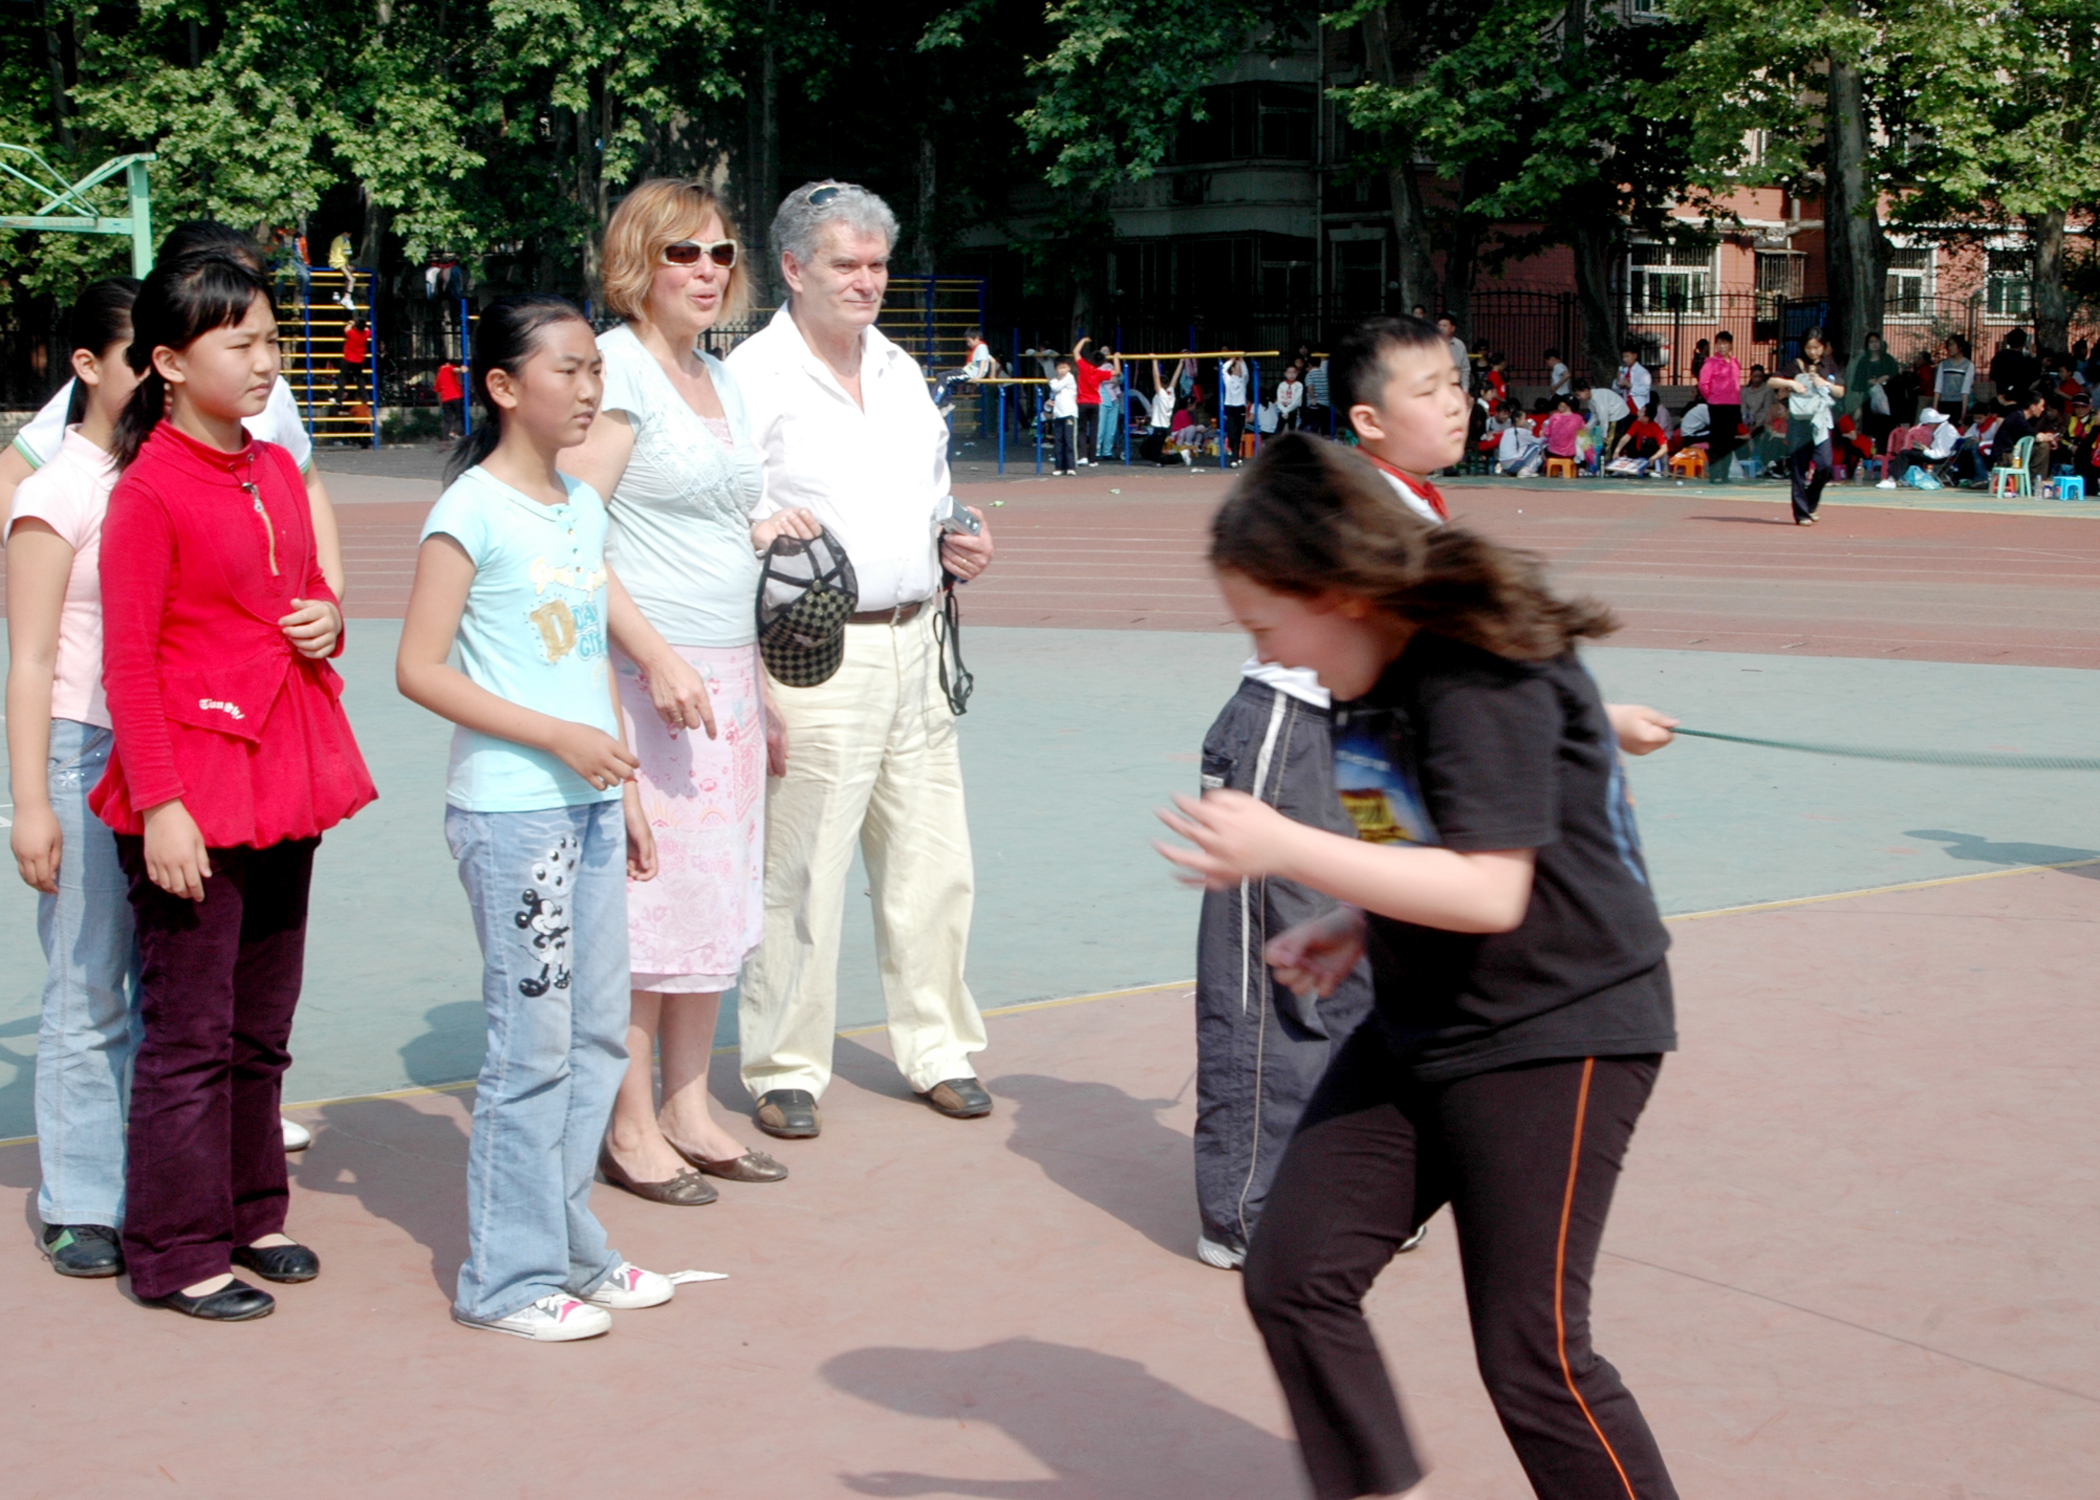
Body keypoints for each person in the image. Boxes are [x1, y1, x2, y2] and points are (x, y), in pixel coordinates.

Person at [1159, 429, 1681, 1500]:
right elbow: (1415, 840)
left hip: (1561, 1028)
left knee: (1535, 1356)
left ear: (1339, 592)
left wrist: (1283, 845)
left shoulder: (1477, 670)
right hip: (1426, 1015)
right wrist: (1352, 920)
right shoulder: (1363, 672)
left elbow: (1492, 891)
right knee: (1295, 1276)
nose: (1269, 655)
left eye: (1267, 625)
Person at [1186, 320, 1677, 1279]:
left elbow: (1482, 694)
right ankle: (1249, 1207)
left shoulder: (1415, 537)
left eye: (1457, 384)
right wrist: (1292, 850)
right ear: (1367, 419)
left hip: (1369, 743)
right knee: (1272, 992)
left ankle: (1333, 1202)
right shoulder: (1342, 515)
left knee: (1364, 945)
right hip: (1294, 733)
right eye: (1427, 390)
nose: (1456, 403)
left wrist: (1588, 717)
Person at [98, 244, 375, 1320]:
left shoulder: (272, 468)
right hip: (191, 791)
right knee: (188, 1035)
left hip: (283, 772)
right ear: (169, 363)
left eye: (270, 341)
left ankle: (254, 1210)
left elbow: (306, 588)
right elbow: (130, 666)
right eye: (240, 343)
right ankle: (173, 1248)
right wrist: (161, 806)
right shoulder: (147, 492)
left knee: (261, 1023)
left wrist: (326, 616)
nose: (266, 363)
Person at [396, 294, 676, 1341]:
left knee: (598, 1038)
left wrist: (625, 788)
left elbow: (590, 656)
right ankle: (505, 1280)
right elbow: (419, 669)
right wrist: (555, 739)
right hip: (515, 821)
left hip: (592, 809)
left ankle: (570, 1247)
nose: (590, 388)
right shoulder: (468, 512)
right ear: (506, 387)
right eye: (569, 369)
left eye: (596, 369)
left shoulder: (579, 507)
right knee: (533, 1047)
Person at [556, 179, 814, 1206]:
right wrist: (656, 657)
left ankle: (690, 1107)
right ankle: (628, 1126)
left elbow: (723, 524)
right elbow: (573, 538)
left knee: (714, 899)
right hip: (643, 675)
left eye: (719, 253)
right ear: (638, 261)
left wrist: (758, 681)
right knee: (650, 900)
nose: (706, 271)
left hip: (726, 677)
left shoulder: (719, 377)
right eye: (682, 253)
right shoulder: (615, 371)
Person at [725, 180, 997, 1139]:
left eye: (878, 265)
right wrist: (757, 532)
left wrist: (960, 536)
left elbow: (935, 495)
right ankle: (785, 1065)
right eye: (846, 264)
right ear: (794, 269)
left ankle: (938, 1047)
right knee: (803, 866)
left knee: (933, 859)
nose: (867, 281)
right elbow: (720, 513)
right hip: (813, 651)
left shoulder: (900, 368)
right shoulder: (750, 378)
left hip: (918, 636)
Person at [10, 279, 142, 1279]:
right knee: (90, 981)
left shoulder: (171, 475)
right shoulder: (56, 491)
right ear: (87, 367)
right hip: (86, 747)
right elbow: (30, 657)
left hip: (172, 750)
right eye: (140, 356)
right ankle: (82, 1201)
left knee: (174, 986)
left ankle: (161, 1181)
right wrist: (31, 803)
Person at [1768, 327, 1844, 524]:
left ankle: (1810, 502)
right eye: (1809, 348)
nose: (1813, 352)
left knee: (1825, 465)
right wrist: (1792, 384)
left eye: (1817, 347)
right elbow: (1772, 381)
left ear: (1823, 347)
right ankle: (1801, 514)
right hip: (1799, 423)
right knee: (1798, 469)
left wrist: (1825, 384)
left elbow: (1840, 391)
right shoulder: (1797, 365)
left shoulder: (1829, 365)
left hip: (1820, 422)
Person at [1697, 330, 1744, 483]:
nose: (1722, 346)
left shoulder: (1735, 362)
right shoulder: (1711, 363)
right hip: (1717, 405)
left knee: (1729, 441)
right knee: (1717, 440)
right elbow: (1703, 384)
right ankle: (1714, 473)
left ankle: (1724, 474)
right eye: (1719, 343)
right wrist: (1712, 397)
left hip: (1733, 405)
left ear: (1731, 345)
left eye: (1725, 343)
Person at [1878, 406, 1960, 488]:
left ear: (1931, 423)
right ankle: (1906, 477)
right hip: (1943, 455)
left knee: (1904, 454)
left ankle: (1892, 479)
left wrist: (1925, 450)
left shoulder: (1945, 432)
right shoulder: (1946, 429)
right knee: (1912, 452)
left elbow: (1940, 453)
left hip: (1940, 457)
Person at [1845, 331, 1899, 438]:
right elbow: (1857, 382)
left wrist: (1886, 378)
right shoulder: (1863, 362)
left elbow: (1896, 377)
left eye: (1876, 341)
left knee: (1886, 432)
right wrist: (1868, 382)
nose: (1874, 344)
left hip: (1887, 402)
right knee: (1870, 432)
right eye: (1871, 342)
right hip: (1869, 402)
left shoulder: (1888, 360)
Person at [1073, 336, 1115, 465]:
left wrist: (1083, 341)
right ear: (1102, 363)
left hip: (1082, 402)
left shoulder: (1084, 367)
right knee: (1094, 430)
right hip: (1095, 403)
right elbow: (1117, 371)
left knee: (1082, 430)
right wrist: (1116, 358)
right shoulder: (1100, 372)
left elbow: (1076, 352)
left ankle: (1083, 456)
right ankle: (1093, 459)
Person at [1933, 335, 1976, 423]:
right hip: (1944, 402)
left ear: (1960, 347)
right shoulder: (1943, 365)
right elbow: (1938, 387)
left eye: (1952, 345)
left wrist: (1964, 412)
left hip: (1958, 403)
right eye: (1949, 345)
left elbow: (1966, 389)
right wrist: (1935, 407)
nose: (1950, 348)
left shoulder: (1968, 365)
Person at [1988, 328, 2041, 399]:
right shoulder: (2024, 360)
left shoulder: (2000, 356)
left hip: (2002, 392)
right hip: (2020, 394)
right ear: (2023, 343)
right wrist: (2033, 356)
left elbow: (1993, 375)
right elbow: (2035, 375)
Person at [1048, 355, 1078, 474]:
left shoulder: (1069, 378)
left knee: (1069, 441)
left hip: (1069, 413)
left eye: (1064, 367)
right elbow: (1053, 393)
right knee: (1059, 441)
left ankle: (1071, 467)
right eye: (1060, 368)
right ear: (1056, 369)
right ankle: (1059, 467)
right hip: (1058, 414)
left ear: (1069, 368)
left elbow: (1056, 387)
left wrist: (1054, 382)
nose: (1062, 370)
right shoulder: (1054, 380)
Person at [1095, 349, 1124, 460]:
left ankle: (1107, 451)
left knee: (1111, 429)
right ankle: (1097, 451)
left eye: (1107, 351)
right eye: (1103, 351)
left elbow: (1121, 377)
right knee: (1100, 428)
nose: (1105, 353)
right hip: (1102, 399)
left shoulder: (1111, 366)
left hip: (1114, 399)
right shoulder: (1096, 368)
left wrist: (1117, 379)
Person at [1222, 355, 1250, 465]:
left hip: (1240, 407)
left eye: (1240, 367)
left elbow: (1246, 373)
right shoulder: (1228, 379)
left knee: (1238, 433)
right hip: (1230, 407)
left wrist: (1242, 362)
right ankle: (1234, 455)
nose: (1239, 369)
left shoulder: (1243, 380)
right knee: (1231, 433)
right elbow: (1223, 369)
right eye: (1237, 367)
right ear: (1232, 369)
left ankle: (1236, 457)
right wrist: (1231, 360)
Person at [1614, 343, 1652, 415]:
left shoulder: (1642, 372)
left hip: (1639, 409)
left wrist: (1630, 385)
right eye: (1623, 357)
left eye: (1627, 356)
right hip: (1626, 409)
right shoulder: (1624, 370)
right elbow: (1615, 389)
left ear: (1635, 356)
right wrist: (1618, 381)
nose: (1625, 359)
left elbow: (1645, 390)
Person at [1435, 315, 1469, 393]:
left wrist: (1465, 389)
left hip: (1455, 386)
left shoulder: (1459, 345)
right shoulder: (1432, 344)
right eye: (1439, 325)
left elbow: (1465, 369)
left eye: (1445, 326)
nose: (1441, 328)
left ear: (1453, 328)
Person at [436, 357, 466, 439]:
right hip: (455, 396)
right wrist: (461, 369)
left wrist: (441, 405)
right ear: (447, 363)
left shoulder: (438, 375)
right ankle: (455, 432)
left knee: (448, 420)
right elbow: (455, 370)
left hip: (445, 399)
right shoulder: (448, 368)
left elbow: (438, 393)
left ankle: (445, 438)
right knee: (459, 416)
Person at [1303, 354, 1332, 433]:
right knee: (1324, 425)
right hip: (1326, 403)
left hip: (1315, 404)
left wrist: (1312, 399)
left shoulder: (1309, 375)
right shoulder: (1324, 375)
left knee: (1314, 426)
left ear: (1310, 365)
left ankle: (1314, 440)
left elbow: (1310, 387)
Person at [1276, 363, 1305, 431]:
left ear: (1297, 373)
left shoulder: (1299, 385)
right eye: (1289, 373)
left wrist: (1286, 411)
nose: (1291, 375)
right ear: (1285, 374)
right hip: (1282, 409)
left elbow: (1296, 401)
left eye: (1293, 373)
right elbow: (1279, 399)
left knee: (1292, 430)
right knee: (1278, 430)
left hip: (1293, 410)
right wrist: (1283, 411)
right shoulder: (1282, 385)